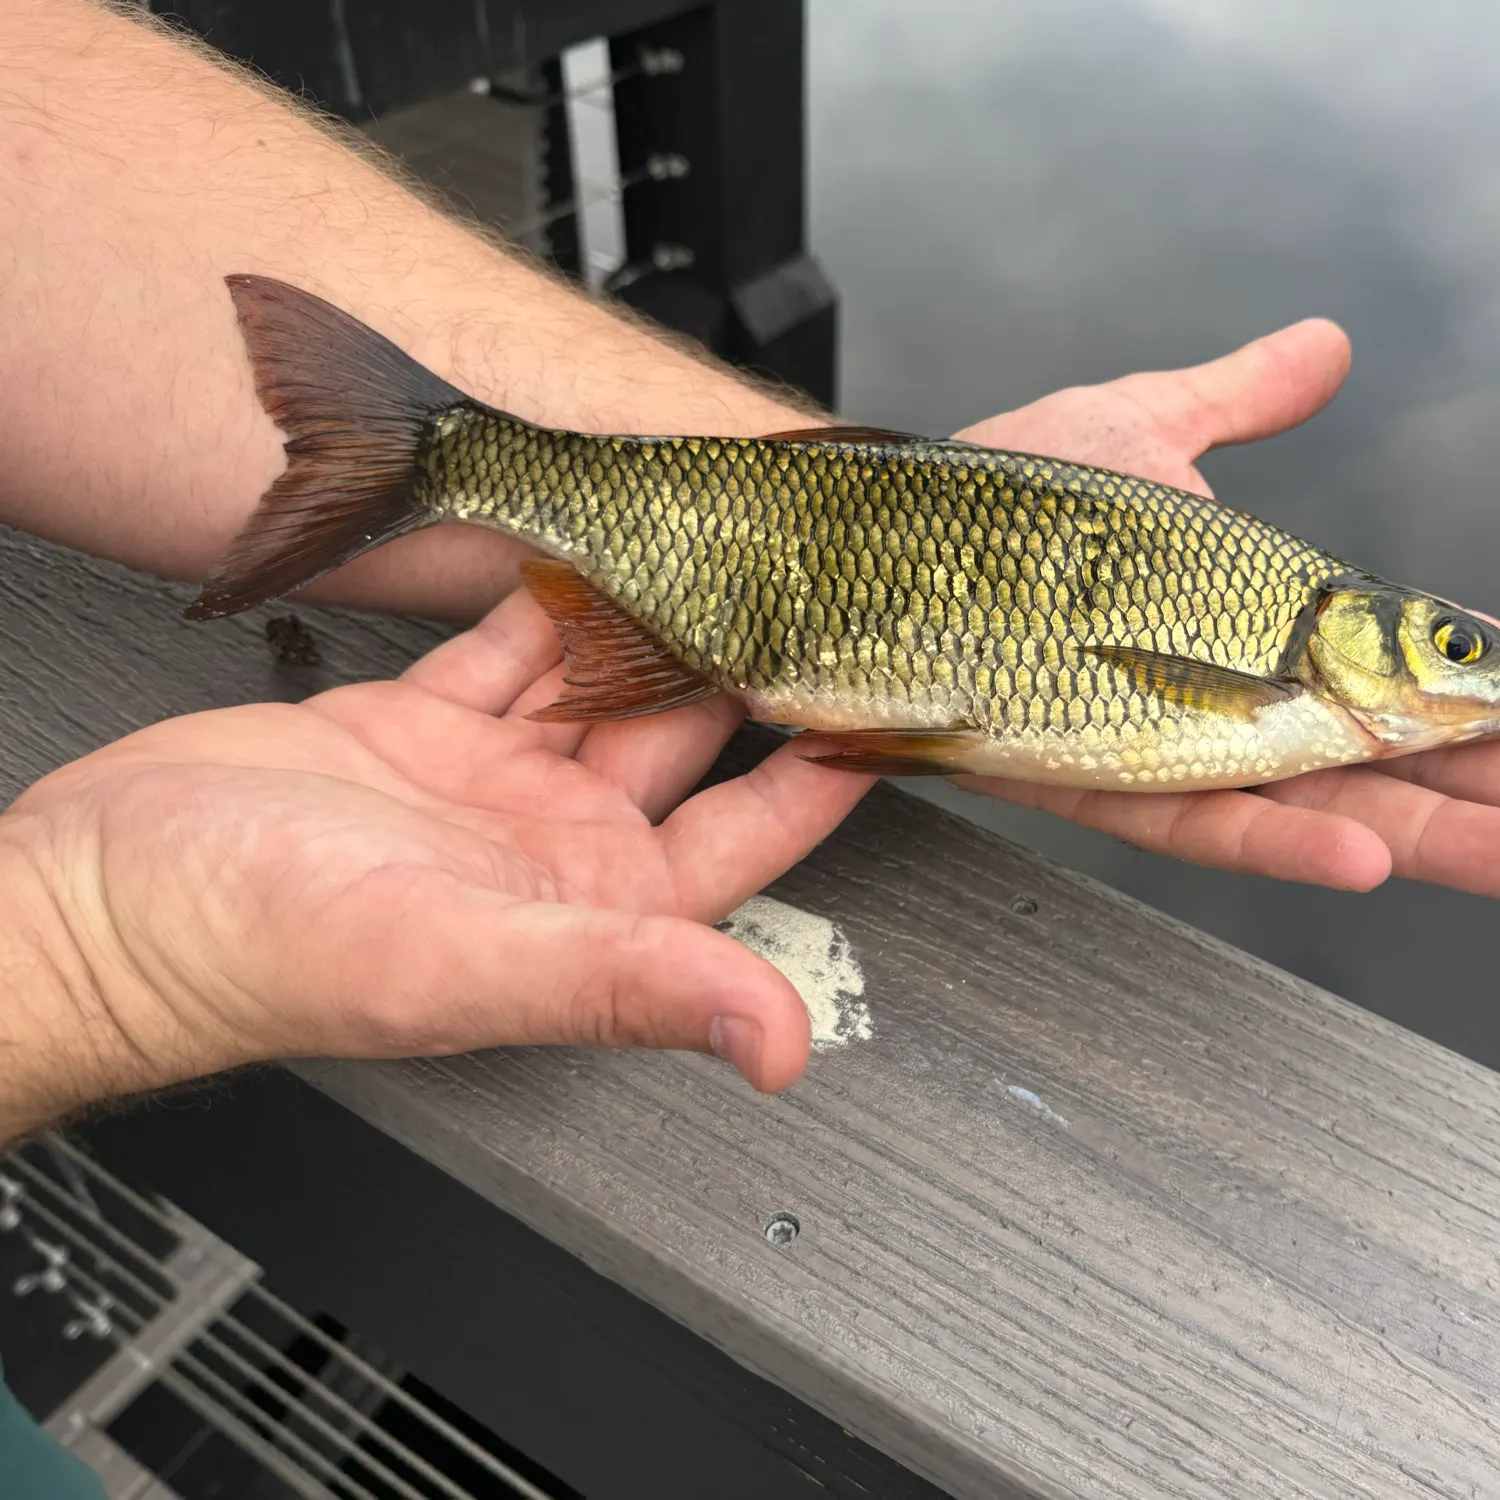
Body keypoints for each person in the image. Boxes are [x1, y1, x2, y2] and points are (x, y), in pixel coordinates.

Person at [4, 1, 1499, 1491]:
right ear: (1358, 631)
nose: (1465, 671)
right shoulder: (1271, 664)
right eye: (1454, 646)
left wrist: (89, 946)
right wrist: (85, 956)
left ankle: (433, 454)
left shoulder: (1281, 651)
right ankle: (430, 453)